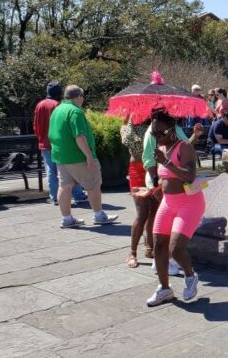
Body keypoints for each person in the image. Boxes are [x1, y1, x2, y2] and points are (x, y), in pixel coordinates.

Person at [145, 110, 204, 307]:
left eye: (159, 133)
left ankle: (190, 275)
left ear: (171, 132)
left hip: (189, 203)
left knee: (176, 249)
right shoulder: (162, 149)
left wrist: (166, 162)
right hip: (168, 202)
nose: (155, 137)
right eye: (153, 134)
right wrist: (157, 188)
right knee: (158, 246)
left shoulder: (184, 147)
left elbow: (188, 175)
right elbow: (164, 178)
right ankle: (164, 289)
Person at [48, 85, 119, 228]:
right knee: (93, 185)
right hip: (78, 156)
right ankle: (99, 215)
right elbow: (79, 136)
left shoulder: (57, 110)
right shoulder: (75, 112)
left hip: (61, 156)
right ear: (78, 97)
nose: (83, 100)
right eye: (82, 97)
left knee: (65, 186)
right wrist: (89, 156)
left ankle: (67, 219)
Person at [33, 81, 88, 205]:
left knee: (51, 171)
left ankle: (55, 197)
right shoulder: (58, 105)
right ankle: (78, 194)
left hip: (44, 143)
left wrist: (41, 138)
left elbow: (35, 125)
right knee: (69, 170)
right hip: (59, 143)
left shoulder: (40, 105)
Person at [120, 116, 154, 267]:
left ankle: (150, 247)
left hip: (154, 168)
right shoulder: (128, 127)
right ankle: (132, 252)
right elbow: (129, 141)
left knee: (154, 212)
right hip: (138, 170)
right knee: (142, 213)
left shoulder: (155, 123)